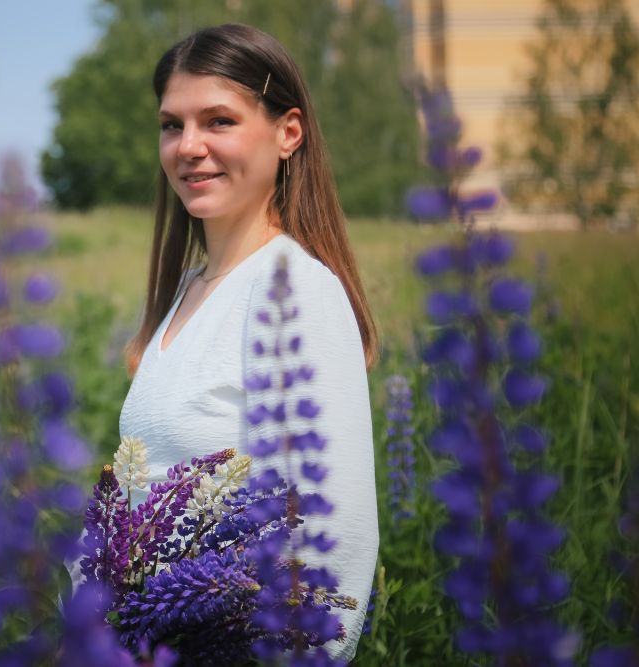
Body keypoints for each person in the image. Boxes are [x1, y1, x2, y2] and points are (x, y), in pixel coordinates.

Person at [119, 23, 379, 660]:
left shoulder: (294, 290)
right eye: (172, 125)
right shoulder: (188, 292)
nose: (189, 146)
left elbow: (333, 534)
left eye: (219, 121)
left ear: (288, 133)